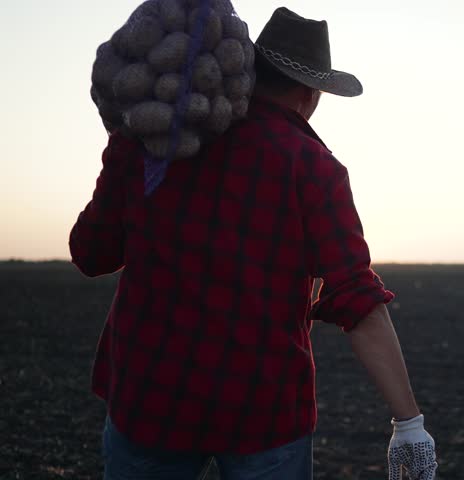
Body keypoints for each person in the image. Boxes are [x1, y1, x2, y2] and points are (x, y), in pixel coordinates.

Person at [70, 7, 437, 480]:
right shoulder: (313, 167)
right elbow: (357, 299)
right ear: (312, 94)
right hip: (264, 414)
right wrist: (409, 423)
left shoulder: (153, 138)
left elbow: (90, 254)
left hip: (149, 400)